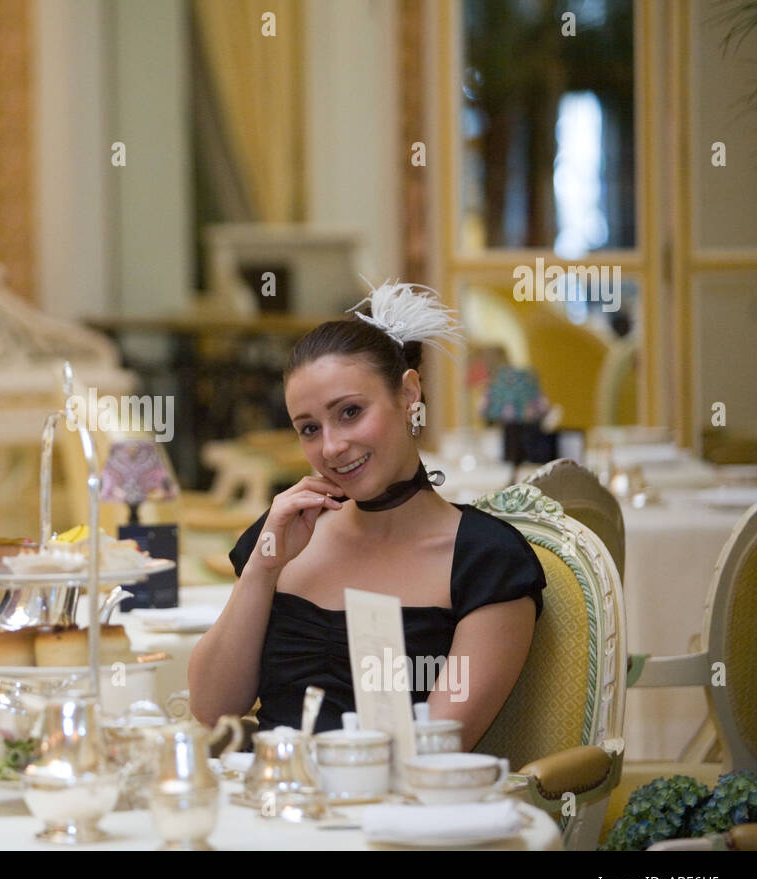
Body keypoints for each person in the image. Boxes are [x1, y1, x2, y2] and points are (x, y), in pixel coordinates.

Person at [187, 282, 545, 749]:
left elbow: (433, 751)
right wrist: (264, 565)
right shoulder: (286, 534)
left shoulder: (486, 561)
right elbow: (213, 709)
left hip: (392, 814)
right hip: (267, 801)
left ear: (408, 393)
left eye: (351, 412)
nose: (332, 447)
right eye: (310, 429)